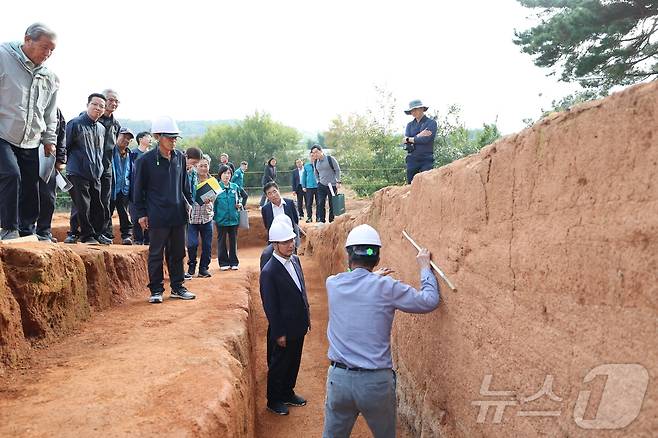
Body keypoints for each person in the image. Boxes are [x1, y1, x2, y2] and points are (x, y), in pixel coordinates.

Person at [322, 224, 440, 437]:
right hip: (374, 383)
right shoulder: (388, 287)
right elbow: (429, 301)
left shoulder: (333, 284)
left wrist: (372, 276)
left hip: (338, 380)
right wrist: (424, 268)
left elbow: (354, 281)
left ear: (349, 255)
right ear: (377, 258)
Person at [0, 23, 59, 241]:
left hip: (31, 140)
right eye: (44, 47)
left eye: (52, 50)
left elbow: (50, 113)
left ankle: (27, 229)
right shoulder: (3, 57)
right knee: (10, 175)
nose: (48, 53)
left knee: (31, 183)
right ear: (27, 40)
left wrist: (49, 140)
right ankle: (8, 228)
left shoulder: (49, 77)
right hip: (3, 134)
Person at [133, 116, 196, 304]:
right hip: (157, 215)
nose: (173, 140)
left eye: (175, 137)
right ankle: (156, 290)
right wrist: (141, 214)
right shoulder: (145, 161)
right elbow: (137, 190)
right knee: (156, 254)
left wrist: (190, 202)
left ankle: (177, 287)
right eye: (170, 137)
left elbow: (184, 186)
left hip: (178, 215)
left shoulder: (179, 158)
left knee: (177, 253)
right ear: (158, 136)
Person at [260, 221, 310, 416]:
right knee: (279, 365)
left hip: (298, 324)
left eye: (292, 240)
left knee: (294, 361)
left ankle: (288, 392)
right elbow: (270, 306)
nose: (291, 244)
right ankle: (274, 399)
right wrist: (279, 332)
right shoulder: (269, 272)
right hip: (283, 329)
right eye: (285, 242)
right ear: (274, 244)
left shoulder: (295, 260)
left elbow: (301, 290)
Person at [65, 93, 107, 245]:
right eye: (94, 104)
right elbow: (65, 146)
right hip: (77, 171)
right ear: (87, 105)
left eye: (101, 106)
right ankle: (86, 235)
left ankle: (95, 234)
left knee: (97, 205)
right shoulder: (75, 123)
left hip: (95, 173)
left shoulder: (102, 129)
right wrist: (62, 164)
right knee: (83, 205)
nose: (98, 108)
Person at [35, 108, 66, 242]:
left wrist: (60, 159)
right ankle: (24, 230)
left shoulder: (57, 112)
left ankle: (44, 231)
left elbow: (62, 137)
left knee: (48, 197)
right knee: (24, 194)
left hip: (49, 159)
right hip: (27, 156)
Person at [98, 89, 122, 243]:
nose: (113, 103)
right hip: (88, 166)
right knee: (84, 200)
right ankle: (75, 232)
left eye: (116, 101)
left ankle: (104, 233)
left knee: (105, 201)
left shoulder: (116, 125)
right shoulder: (90, 119)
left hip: (106, 167)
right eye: (110, 100)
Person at [186, 155, 214, 279]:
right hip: (192, 218)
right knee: (192, 244)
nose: (203, 168)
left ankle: (203, 269)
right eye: (200, 166)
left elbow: (215, 197)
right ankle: (191, 265)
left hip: (207, 217)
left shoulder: (212, 181)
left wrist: (210, 200)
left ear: (209, 166)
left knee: (207, 245)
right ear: (196, 166)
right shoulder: (191, 178)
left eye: (205, 165)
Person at [109, 127, 134, 245]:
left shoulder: (131, 155)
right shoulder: (110, 151)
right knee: (106, 212)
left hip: (124, 189)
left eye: (128, 138)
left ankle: (127, 236)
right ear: (117, 136)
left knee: (124, 213)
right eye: (124, 136)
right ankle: (107, 235)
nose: (126, 140)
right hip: (111, 188)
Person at [213, 165, 241, 271]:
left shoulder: (235, 187)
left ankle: (234, 262)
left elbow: (241, 197)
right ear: (220, 175)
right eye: (225, 173)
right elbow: (213, 204)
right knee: (222, 241)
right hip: (221, 219)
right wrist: (215, 217)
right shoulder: (216, 188)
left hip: (234, 219)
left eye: (229, 173)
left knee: (233, 241)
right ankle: (223, 262)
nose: (227, 175)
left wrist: (239, 204)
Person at [402, 99, 437, 184]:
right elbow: (405, 141)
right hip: (412, 159)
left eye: (416, 109)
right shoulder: (409, 125)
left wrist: (411, 139)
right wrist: (419, 135)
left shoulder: (431, 123)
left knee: (427, 183)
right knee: (411, 184)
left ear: (422, 109)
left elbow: (426, 140)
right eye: (412, 110)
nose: (414, 112)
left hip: (426, 158)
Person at [129, 131, 151, 244]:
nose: (150, 139)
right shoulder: (132, 154)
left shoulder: (152, 155)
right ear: (141, 139)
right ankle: (137, 240)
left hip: (149, 192)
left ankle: (148, 240)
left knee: (150, 216)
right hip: (134, 190)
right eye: (148, 137)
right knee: (135, 216)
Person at [311, 145, 341, 223]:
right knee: (320, 203)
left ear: (321, 151)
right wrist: (318, 181)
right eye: (313, 153)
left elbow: (337, 170)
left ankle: (332, 221)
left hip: (332, 185)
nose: (315, 154)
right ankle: (322, 221)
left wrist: (338, 181)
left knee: (332, 204)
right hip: (321, 185)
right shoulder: (315, 162)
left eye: (316, 152)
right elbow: (315, 172)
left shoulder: (330, 159)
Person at [301, 151, 318, 223]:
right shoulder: (306, 166)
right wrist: (303, 186)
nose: (312, 157)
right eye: (311, 156)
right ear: (310, 157)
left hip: (318, 187)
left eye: (314, 155)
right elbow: (304, 176)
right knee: (308, 203)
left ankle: (319, 217)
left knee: (319, 203)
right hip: (309, 187)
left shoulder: (319, 164)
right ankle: (309, 217)